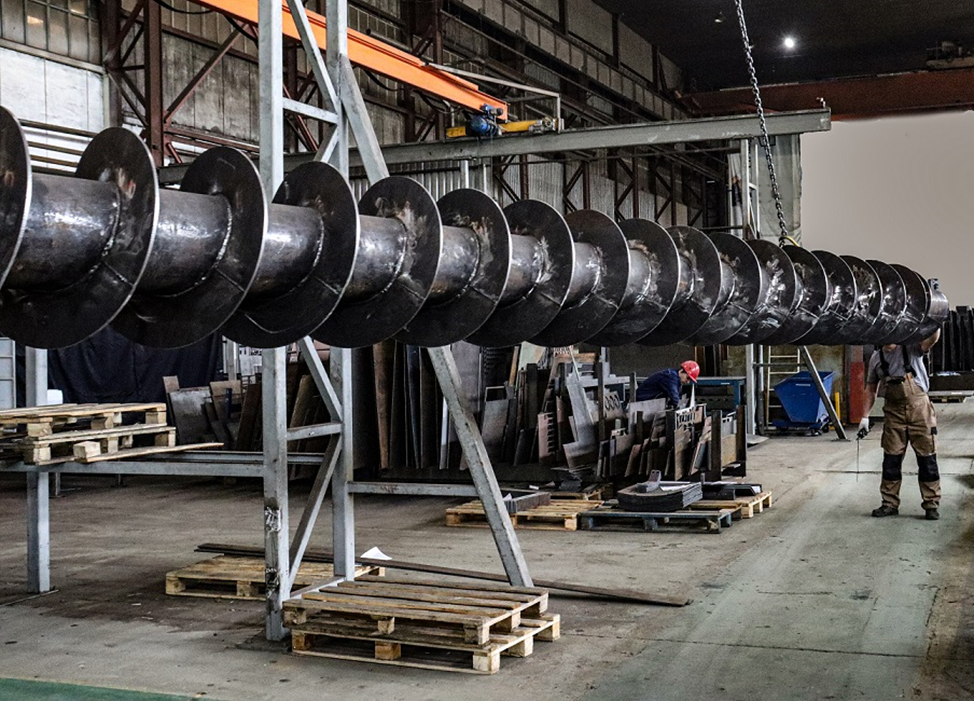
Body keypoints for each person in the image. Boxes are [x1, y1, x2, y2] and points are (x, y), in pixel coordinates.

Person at [858, 329, 942, 520]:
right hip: (893, 412)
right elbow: (870, 388)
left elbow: (932, 339)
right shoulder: (876, 358)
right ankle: (889, 503)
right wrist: (865, 417)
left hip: (919, 410)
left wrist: (936, 322)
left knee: (927, 458)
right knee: (891, 460)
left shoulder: (911, 348)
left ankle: (931, 504)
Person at [635, 360, 700, 407]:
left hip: (649, 402)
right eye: (688, 378)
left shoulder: (675, 379)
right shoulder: (670, 377)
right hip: (641, 402)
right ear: (681, 371)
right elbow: (674, 398)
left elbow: (676, 397)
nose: (688, 382)